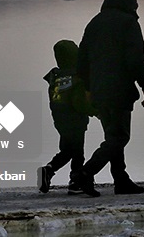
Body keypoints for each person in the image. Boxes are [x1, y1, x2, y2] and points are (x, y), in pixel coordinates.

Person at [73, 0, 144, 197]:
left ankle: (121, 180)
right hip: (119, 89)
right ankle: (85, 173)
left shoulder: (95, 23)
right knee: (119, 137)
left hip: (98, 90)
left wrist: (89, 89)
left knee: (112, 135)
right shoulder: (129, 23)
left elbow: (82, 60)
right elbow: (136, 59)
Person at [37, 39, 96, 194]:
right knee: (77, 153)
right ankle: (75, 183)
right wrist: (95, 111)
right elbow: (79, 103)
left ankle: (48, 170)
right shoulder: (76, 78)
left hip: (60, 120)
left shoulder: (55, 77)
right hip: (75, 120)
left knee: (67, 150)